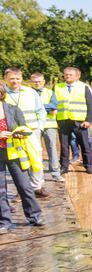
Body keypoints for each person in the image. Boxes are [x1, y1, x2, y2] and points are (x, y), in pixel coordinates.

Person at [0, 84, 44, 234]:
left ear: (1, 93)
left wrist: (18, 133)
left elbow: (24, 129)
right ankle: (4, 222)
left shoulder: (12, 109)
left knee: (24, 186)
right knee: (0, 191)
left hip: (14, 154)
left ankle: (34, 216)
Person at [4, 68, 49, 197]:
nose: (15, 81)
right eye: (12, 78)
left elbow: (41, 111)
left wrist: (40, 127)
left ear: (22, 79)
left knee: (36, 159)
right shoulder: (2, 94)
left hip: (32, 132)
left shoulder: (30, 92)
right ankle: (22, 189)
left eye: (18, 78)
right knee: (17, 161)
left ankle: (37, 187)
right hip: (12, 134)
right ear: (6, 78)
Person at [54, 66, 92, 175]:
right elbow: (53, 104)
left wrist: (88, 120)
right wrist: (55, 121)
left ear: (77, 76)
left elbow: (90, 104)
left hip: (80, 121)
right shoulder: (57, 87)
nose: (67, 76)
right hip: (63, 120)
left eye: (70, 74)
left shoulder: (84, 87)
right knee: (64, 146)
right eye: (66, 74)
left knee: (85, 145)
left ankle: (88, 166)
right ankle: (64, 166)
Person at [30, 72, 63, 182]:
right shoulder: (27, 93)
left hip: (49, 125)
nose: (37, 83)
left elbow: (54, 105)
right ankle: (37, 176)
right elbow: (28, 107)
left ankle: (55, 174)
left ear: (43, 82)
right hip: (33, 126)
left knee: (52, 149)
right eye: (35, 82)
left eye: (39, 81)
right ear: (31, 82)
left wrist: (38, 107)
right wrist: (47, 108)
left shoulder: (50, 92)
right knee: (35, 150)